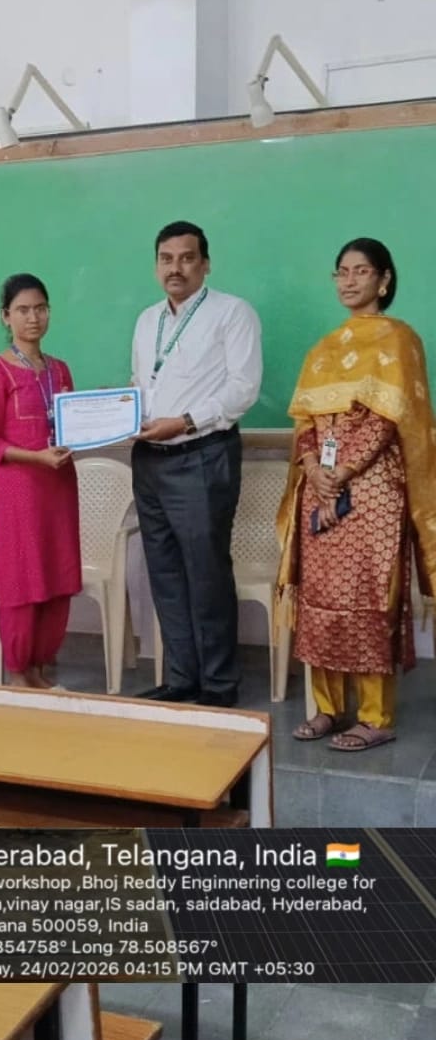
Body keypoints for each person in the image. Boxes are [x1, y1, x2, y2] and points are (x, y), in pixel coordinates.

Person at [277, 237, 436, 750]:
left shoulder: (399, 340)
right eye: (341, 271)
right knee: (320, 600)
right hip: (320, 491)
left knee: (369, 599)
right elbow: (305, 422)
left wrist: (343, 470)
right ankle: (327, 708)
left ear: (384, 280)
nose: (348, 281)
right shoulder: (322, 349)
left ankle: (375, 716)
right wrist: (312, 467)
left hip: (372, 494)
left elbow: (388, 421)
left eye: (361, 271)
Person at [131, 220, 262, 706]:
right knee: (164, 573)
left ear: (205, 264)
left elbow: (243, 388)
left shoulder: (232, 313)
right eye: (166, 259)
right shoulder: (147, 320)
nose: (176, 268)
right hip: (150, 460)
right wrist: (124, 414)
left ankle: (219, 684)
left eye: (187, 258)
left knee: (206, 573)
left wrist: (185, 421)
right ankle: (182, 676)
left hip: (202, 455)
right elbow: (143, 383)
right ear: (156, 266)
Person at [0, 273, 81, 688]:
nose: (33, 317)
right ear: (6, 316)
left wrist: (108, 414)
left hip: (59, 489)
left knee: (57, 574)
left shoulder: (60, 369)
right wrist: (36, 457)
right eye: (22, 310)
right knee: (22, 577)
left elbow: (71, 425)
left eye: (40, 308)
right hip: (19, 493)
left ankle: (40, 668)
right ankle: (20, 671)